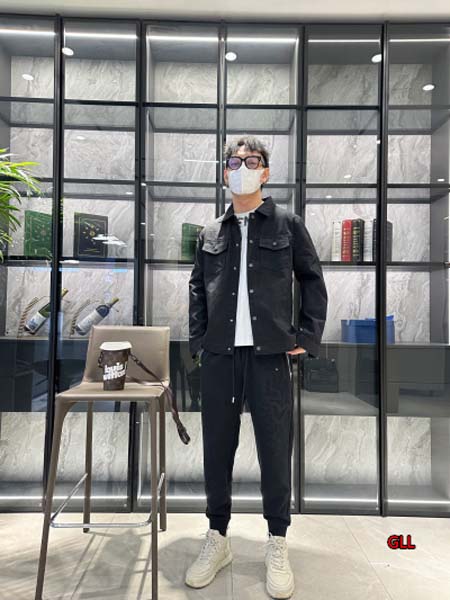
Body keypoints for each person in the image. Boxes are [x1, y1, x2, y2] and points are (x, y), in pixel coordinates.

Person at [185, 135, 328, 599]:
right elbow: (197, 288)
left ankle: (277, 541)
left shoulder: (288, 224)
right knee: (217, 449)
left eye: (252, 161)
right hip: (221, 357)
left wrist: (306, 336)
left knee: (274, 449)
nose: (242, 167)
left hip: (270, 357)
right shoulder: (211, 232)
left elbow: (312, 279)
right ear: (224, 172)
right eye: (234, 161)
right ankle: (217, 537)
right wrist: (199, 341)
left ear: (265, 171)